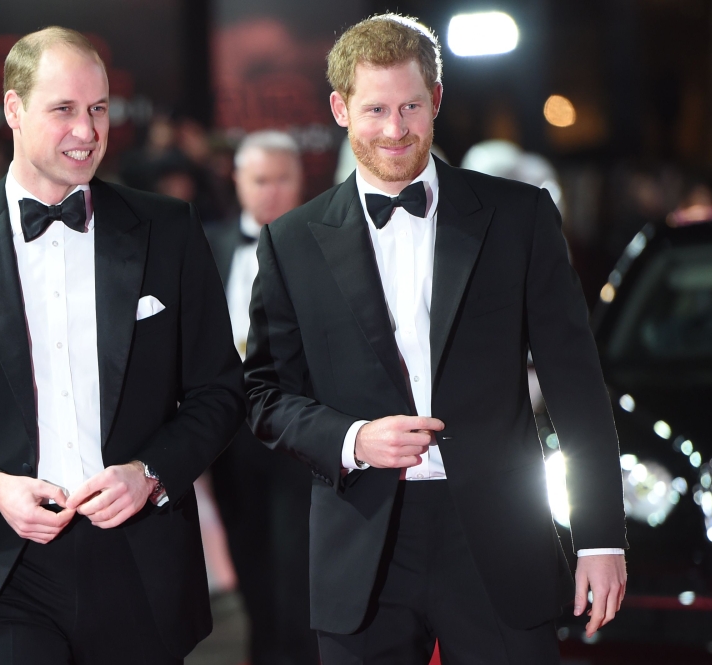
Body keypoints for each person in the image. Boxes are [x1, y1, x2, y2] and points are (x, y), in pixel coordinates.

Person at [244, 14, 627, 664]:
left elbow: (576, 382)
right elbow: (262, 395)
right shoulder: (292, 241)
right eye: (375, 109)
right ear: (340, 109)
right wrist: (351, 438)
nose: (395, 130)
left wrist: (600, 538)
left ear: (437, 101)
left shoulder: (518, 215)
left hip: (500, 539)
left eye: (410, 106)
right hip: (361, 542)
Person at [0, 27, 244, 664]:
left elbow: (219, 392)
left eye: (98, 109)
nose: (87, 131)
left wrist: (149, 474)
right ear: (14, 110)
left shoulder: (167, 229)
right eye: (63, 109)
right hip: (2, 570)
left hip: (138, 560)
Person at [206, 130, 318, 664]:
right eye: (260, 180)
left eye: (283, 178)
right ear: (237, 182)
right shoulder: (208, 245)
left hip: (304, 431)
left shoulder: (328, 242)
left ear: (301, 180)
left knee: (300, 562)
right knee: (248, 557)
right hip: (230, 436)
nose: (272, 191)